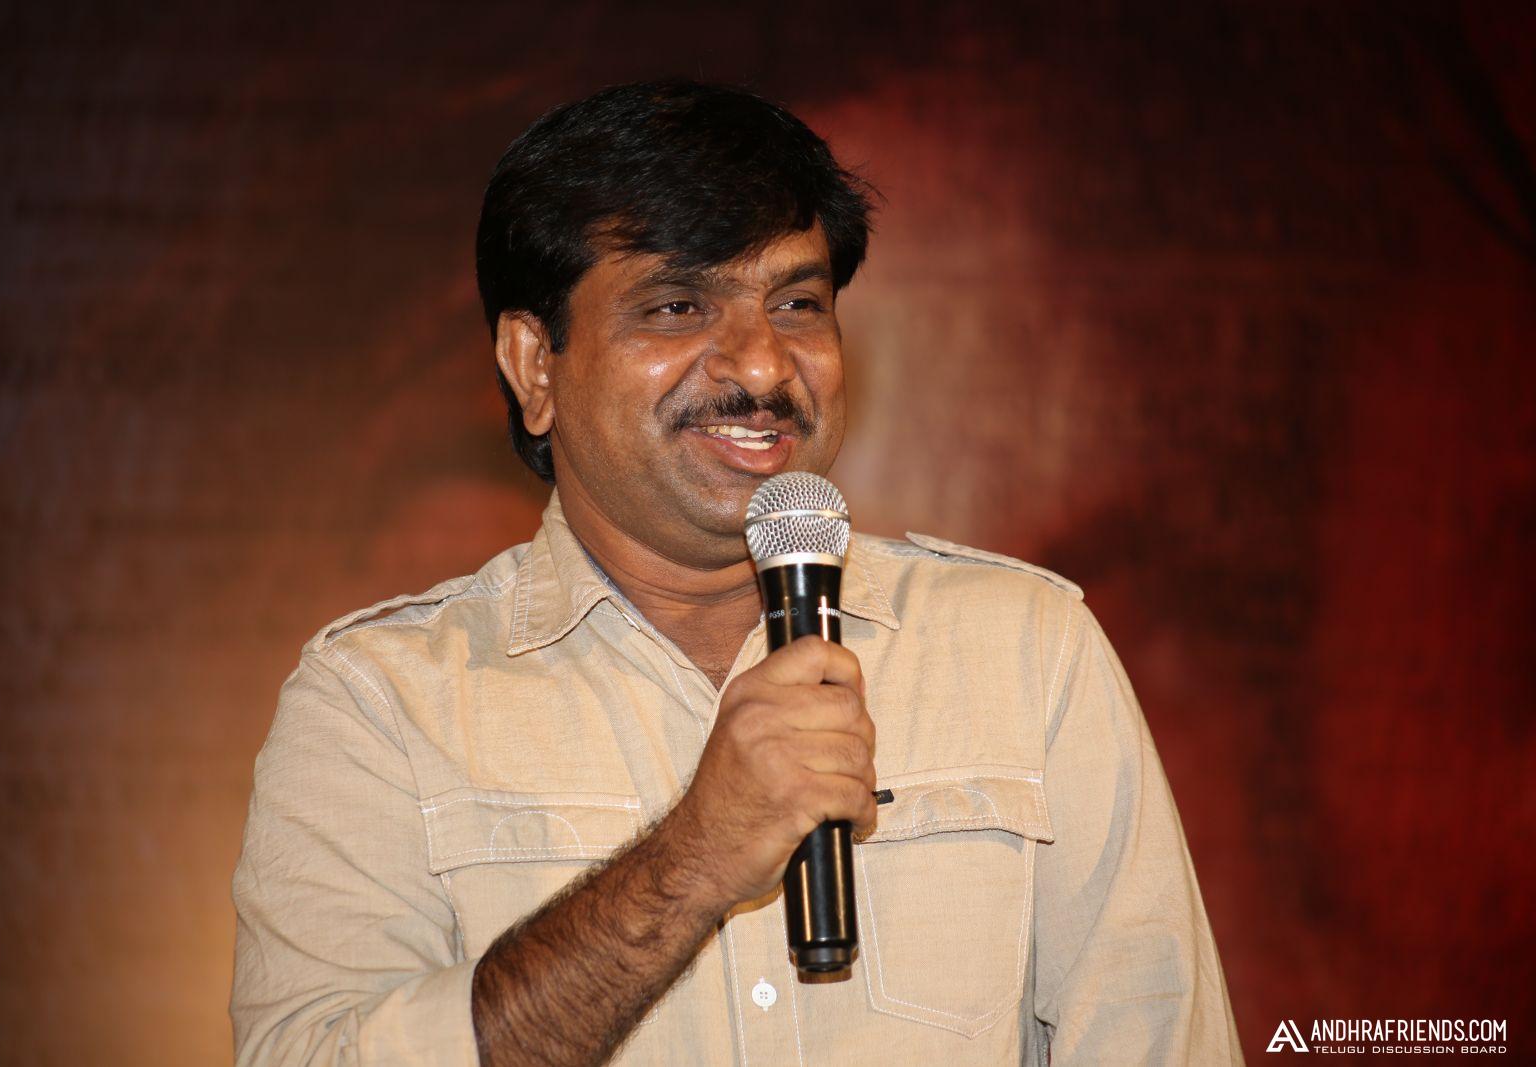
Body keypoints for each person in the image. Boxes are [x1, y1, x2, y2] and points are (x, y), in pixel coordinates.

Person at [230, 80, 1244, 1066]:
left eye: (797, 303)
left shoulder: (1025, 647)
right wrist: (695, 858)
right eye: (677, 305)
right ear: (535, 365)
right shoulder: (379, 703)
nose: (762, 367)